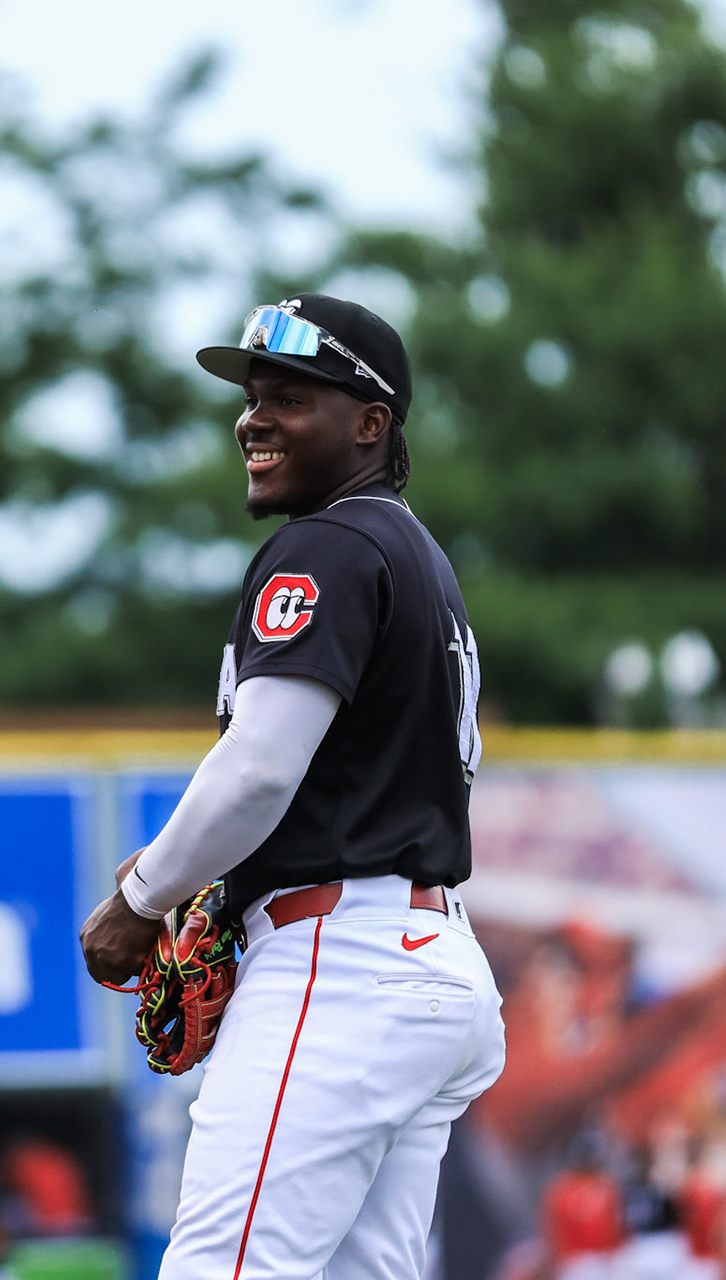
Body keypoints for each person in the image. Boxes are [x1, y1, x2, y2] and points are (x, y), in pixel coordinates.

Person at [79, 294, 507, 1278]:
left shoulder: (328, 545)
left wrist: (141, 897)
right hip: (428, 956)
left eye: (291, 399)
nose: (254, 419)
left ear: (371, 424)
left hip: (339, 963)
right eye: (252, 398)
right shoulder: (422, 561)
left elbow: (261, 766)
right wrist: (210, 873)